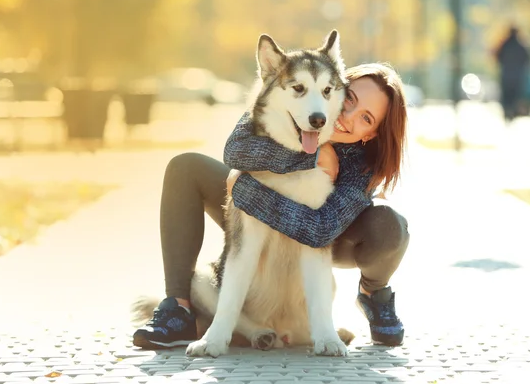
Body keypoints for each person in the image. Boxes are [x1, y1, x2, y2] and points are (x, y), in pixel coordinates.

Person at [133, 62, 410, 349]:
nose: (346, 115)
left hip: (330, 237)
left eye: (366, 118)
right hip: (257, 222)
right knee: (185, 167)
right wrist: (312, 157)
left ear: (371, 135)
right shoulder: (288, 99)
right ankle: (178, 310)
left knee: (389, 225)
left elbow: (320, 230)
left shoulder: (362, 165)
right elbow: (236, 150)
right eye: (349, 99)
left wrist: (245, 190)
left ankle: (372, 293)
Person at [493, 25, 530, 121]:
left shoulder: (504, 45)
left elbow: (497, 57)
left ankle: (508, 112)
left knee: (506, 96)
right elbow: (528, 59)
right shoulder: (521, 46)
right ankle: (513, 111)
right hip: (517, 76)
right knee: (516, 95)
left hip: (506, 75)